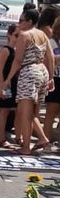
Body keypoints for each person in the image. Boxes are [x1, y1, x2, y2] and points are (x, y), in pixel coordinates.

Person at [5, 8, 54, 154]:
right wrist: (51, 78)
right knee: (31, 112)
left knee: (25, 113)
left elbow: (18, 60)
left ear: (29, 22)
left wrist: (8, 79)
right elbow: (50, 57)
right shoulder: (43, 35)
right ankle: (42, 139)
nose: (19, 24)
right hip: (42, 72)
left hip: (29, 72)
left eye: (21, 21)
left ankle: (26, 147)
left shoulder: (25, 35)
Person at [0, 23, 19, 148]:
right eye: (16, 35)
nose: (18, 37)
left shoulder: (16, 51)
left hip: (14, 84)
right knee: (4, 111)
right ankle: (1, 139)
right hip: (6, 84)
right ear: (9, 35)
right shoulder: (5, 50)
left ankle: (16, 137)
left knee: (14, 111)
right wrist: (2, 87)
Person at [43, 15, 60, 149]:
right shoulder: (52, 42)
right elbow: (50, 59)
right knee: (50, 113)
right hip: (56, 79)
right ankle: (46, 143)